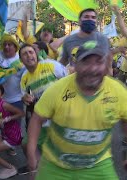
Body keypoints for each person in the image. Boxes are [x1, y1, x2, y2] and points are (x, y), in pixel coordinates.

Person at [27, 39, 127, 179]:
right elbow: (37, 118)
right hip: (56, 165)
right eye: (86, 61)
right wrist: (31, 153)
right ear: (75, 65)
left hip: (97, 165)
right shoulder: (57, 89)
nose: (92, 68)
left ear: (106, 66)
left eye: (99, 62)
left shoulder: (118, 91)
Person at [18, 44, 67, 174]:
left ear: (36, 54)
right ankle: (39, 168)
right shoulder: (24, 77)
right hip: (42, 119)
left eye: (31, 52)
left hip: (61, 118)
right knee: (26, 144)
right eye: (25, 54)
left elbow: (69, 82)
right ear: (21, 60)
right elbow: (24, 95)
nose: (29, 56)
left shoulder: (52, 65)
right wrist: (25, 98)